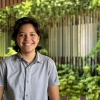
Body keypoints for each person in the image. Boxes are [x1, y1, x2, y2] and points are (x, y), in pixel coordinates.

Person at [0, 17, 60, 100]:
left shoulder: (48, 64)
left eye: (32, 34)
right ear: (16, 38)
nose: (27, 39)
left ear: (38, 38)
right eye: (22, 35)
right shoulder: (5, 64)